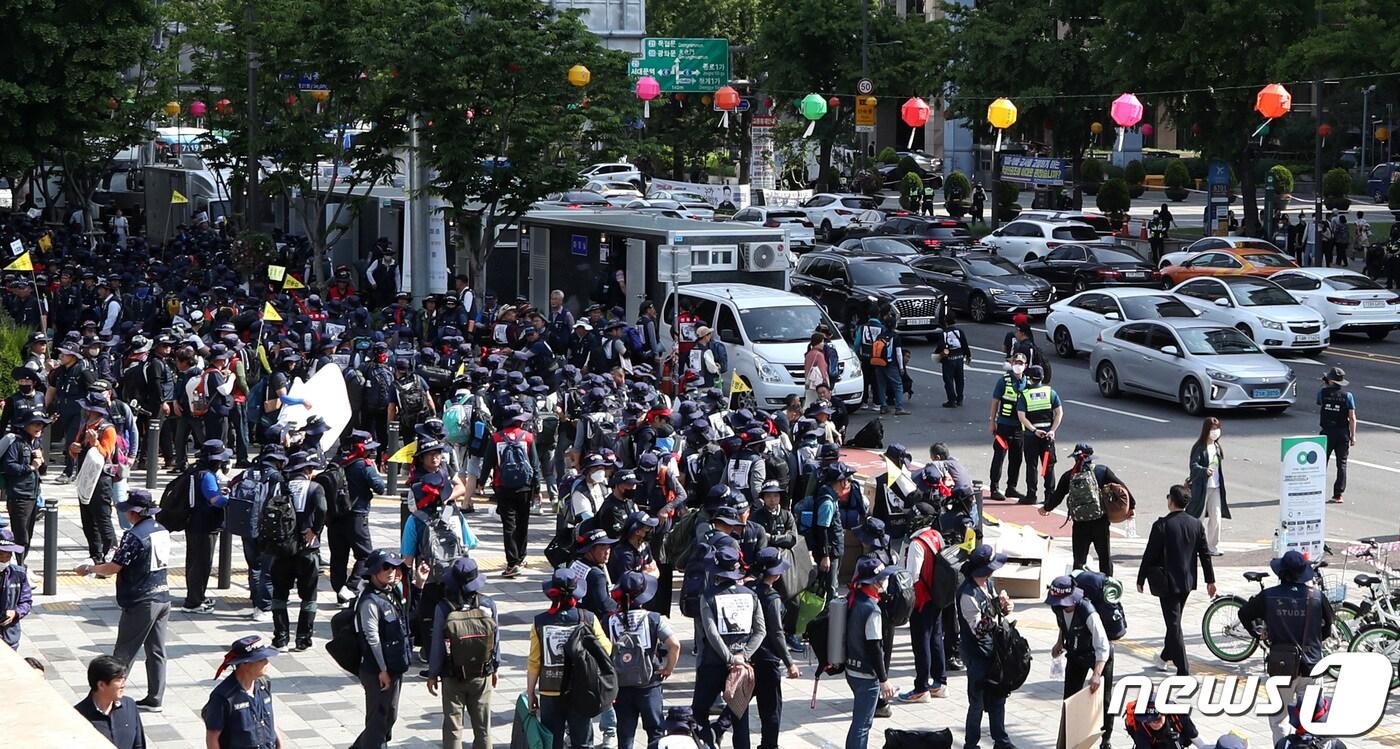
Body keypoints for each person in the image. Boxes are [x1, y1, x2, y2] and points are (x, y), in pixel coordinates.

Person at [76, 490, 170, 713]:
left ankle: (112, 699)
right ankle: (155, 698)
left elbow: (114, 567)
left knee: (123, 654)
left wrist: (89, 568)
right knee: (156, 650)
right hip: (163, 595)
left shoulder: (134, 535)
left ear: (134, 512)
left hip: (141, 599)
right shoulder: (161, 530)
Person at [1237, 550, 1335, 746]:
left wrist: (1257, 634)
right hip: (1311, 666)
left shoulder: (1268, 596)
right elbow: (1327, 627)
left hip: (1281, 667)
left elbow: (1244, 614)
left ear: (1281, 573)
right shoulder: (1316, 596)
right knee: (1313, 718)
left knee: (1279, 719)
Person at [527, 567, 613, 749]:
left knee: (552, 741)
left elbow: (534, 661)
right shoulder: (588, 618)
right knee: (582, 741)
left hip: (550, 691)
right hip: (582, 689)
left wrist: (530, 692)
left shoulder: (540, 622)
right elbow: (606, 648)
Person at [1138, 484, 1216, 676]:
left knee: (1173, 624)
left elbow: (1149, 554)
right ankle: (1164, 656)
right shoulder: (1196, 524)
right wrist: (1210, 580)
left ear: (1171, 501)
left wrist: (1141, 578)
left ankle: (1183, 669)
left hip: (1167, 583)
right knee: (1174, 621)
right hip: (1187, 581)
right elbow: (1205, 554)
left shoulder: (1161, 525)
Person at [692, 545, 763, 749]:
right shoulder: (751, 595)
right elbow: (761, 631)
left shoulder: (708, 597)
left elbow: (711, 633)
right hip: (741, 665)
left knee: (699, 712)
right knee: (740, 717)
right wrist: (743, 655)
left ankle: (707, 744)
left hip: (713, 663)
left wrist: (729, 658)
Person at [427, 558, 499, 749]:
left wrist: (433, 674)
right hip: (482, 674)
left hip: (452, 675)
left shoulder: (443, 607)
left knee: (453, 728)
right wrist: (495, 667)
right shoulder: (487, 604)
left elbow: (437, 646)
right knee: (483, 728)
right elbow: (495, 639)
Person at [608, 571, 680, 749]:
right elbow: (674, 645)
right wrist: (667, 668)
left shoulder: (608, 620)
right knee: (655, 731)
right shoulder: (653, 619)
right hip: (649, 683)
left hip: (621, 685)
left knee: (625, 734)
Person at [353, 549, 413, 749]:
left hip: (395, 666)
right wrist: (383, 670)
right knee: (378, 721)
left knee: (389, 716)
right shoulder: (369, 601)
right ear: (374, 570)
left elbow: (409, 616)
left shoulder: (392, 591)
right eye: (386, 567)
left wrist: (419, 584)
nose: (392, 572)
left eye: (396, 568)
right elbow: (372, 639)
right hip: (377, 670)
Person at [1045, 575, 1113, 749]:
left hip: (1097, 655)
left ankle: (1106, 739)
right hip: (1076, 653)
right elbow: (1063, 625)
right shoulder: (1057, 607)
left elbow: (1102, 645)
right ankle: (1068, 739)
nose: (1062, 606)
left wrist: (1097, 674)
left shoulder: (1088, 611)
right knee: (1070, 698)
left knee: (1104, 699)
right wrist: (1060, 642)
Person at [1039, 444, 1130, 575]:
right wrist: (1131, 507)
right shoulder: (1102, 471)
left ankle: (1079, 587)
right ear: (1091, 458)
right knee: (1104, 557)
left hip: (1080, 523)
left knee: (1079, 559)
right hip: (1100, 522)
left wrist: (1046, 508)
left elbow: (1058, 495)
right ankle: (1107, 585)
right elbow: (1122, 489)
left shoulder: (1069, 476)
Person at [958, 545, 1014, 749]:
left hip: (994, 652)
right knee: (977, 703)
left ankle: (1001, 741)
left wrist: (1004, 606)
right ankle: (971, 744)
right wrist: (994, 610)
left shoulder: (987, 585)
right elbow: (979, 629)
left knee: (999, 697)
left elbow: (997, 614)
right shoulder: (967, 594)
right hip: (977, 655)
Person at [269, 451, 326, 651]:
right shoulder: (315, 488)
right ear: (307, 470)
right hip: (307, 550)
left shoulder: (279, 487)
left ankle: (280, 637)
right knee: (309, 596)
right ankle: (303, 638)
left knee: (279, 594)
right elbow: (322, 509)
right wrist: (315, 530)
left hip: (281, 548)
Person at [482, 405, 546, 578]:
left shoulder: (496, 438)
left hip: (502, 486)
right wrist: (537, 487)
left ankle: (512, 562)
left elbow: (488, 462)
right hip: (525, 486)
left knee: (509, 525)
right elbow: (535, 464)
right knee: (523, 523)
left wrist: (481, 483)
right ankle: (521, 557)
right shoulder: (528, 437)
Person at [748, 548, 799, 749]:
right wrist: (790, 662)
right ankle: (769, 745)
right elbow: (777, 633)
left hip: (750, 655)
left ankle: (719, 728)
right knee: (772, 708)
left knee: (743, 698)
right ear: (776, 573)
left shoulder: (750, 590)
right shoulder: (772, 598)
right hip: (768, 658)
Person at [844, 557, 898, 749]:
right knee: (863, 724)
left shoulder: (855, 599)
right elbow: (874, 648)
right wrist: (884, 680)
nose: (885, 581)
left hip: (851, 669)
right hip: (866, 675)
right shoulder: (872, 610)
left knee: (858, 721)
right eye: (883, 578)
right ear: (875, 583)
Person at [202, 635, 288, 749]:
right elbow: (212, 737)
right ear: (245, 663)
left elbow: (270, 720)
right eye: (261, 659)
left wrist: (280, 745)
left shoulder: (264, 684)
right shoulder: (223, 696)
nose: (267, 662)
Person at [329, 430, 383, 602]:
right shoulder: (364, 465)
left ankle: (340, 592)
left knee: (338, 557)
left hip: (335, 517)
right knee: (365, 555)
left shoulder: (336, 462)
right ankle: (351, 588)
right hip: (357, 517)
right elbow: (380, 487)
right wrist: (374, 470)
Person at [185, 439, 232, 613]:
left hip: (192, 522)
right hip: (205, 525)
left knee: (193, 561)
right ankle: (194, 602)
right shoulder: (207, 476)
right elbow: (216, 501)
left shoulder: (194, 471)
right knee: (202, 563)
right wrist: (229, 498)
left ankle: (196, 596)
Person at [3, 407, 52, 564]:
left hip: (33, 495)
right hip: (18, 496)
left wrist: (40, 461)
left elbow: (42, 470)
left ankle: (22, 565)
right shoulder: (16, 443)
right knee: (21, 535)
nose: (39, 428)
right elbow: (8, 466)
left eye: (41, 424)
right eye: (35, 424)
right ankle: (19, 566)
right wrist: (30, 466)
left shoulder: (36, 443)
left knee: (28, 534)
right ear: (25, 425)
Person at [75, 655, 147, 749]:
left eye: (124, 679)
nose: (123, 685)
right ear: (101, 685)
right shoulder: (78, 716)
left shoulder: (129, 705)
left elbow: (139, 745)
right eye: (118, 680)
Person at [1015, 365, 1062, 507]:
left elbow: (1021, 417)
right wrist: (1052, 430)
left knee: (1032, 465)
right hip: (1048, 437)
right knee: (1048, 465)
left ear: (1029, 378)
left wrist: (1034, 430)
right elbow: (1059, 413)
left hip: (1031, 436)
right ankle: (1050, 496)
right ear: (1042, 377)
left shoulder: (1025, 394)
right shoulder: (1050, 393)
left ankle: (1031, 495)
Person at [1187, 417, 1230, 554]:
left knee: (1216, 517)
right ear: (1206, 430)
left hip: (1216, 486)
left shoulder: (1217, 447)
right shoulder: (1199, 447)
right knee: (1198, 516)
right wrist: (1204, 470)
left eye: (1217, 429)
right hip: (1202, 487)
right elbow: (1193, 466)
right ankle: (1195, 545)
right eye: (1212, 429)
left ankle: (1212, 546)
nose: (1215, 432)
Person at [987, 353, 1026, 502]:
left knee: (1016, 458)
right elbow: (995, 401)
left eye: (1021, 362)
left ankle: (1011, 487)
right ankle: (994, 488)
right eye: (1016, 362)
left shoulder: (1026, 382)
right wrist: (992, 421)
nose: (1018, 364)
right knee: (999, 456)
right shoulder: (1003, 381)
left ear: (1025, 365)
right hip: (1003, 426)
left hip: (1019, 427)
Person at [1316, 367, 1355, 504]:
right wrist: (1353, 436)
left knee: (1321, 463)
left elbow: (1320, 402)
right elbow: (1352, 417)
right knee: (1342, 464)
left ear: (1329, 380)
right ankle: (1338, 495)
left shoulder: (1322, 393)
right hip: (1343, 433)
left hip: (1327, 432)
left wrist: (1326, 386)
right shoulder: (1348, 396)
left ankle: (1317, 491)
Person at [0, 529, 32, 650]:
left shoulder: (19, 574)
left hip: (10, 637)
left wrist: (15, 613)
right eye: (1, 554)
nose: (4, 559)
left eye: (7, 555)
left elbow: (26, 601)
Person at [1124, 701, 1203, 748]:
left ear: (1165, 714)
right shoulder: (1141, 731)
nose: (1154, 723)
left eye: (1157, 719)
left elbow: (1198, 741)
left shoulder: (1179, 717)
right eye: (1150, 720)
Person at [936, 314, 969, 408]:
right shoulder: (959, 331)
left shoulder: (944, 333)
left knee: (948, 380)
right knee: (959, 379)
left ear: (945, 322)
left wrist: (937, 355)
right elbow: (964, 344)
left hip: (948, 359)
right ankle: (960, 399)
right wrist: (968, 355)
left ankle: (951, 400)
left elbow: (940, 346)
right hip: (959, 358)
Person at [802, 334, 829, 407]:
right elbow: (823, 371)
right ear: (818, 342)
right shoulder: (819, 355)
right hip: (818, 384)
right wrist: (825, 383)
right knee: (820, 403)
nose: (823, 344)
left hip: (809, 383)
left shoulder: (808, 354)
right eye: (822, 342)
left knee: (809, 402)